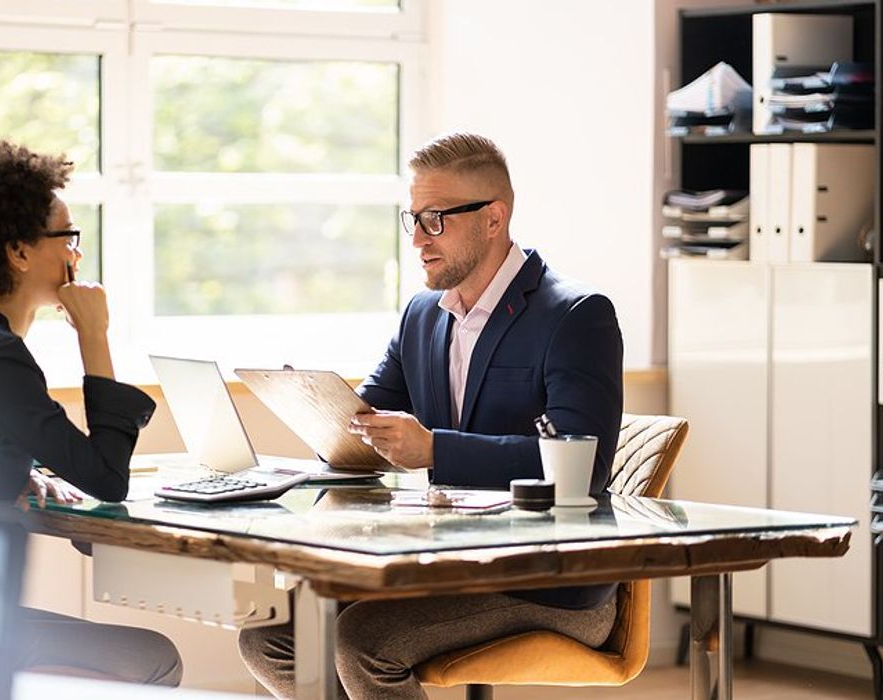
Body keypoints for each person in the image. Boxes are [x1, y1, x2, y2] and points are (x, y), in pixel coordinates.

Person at [237, 132, 624, 699]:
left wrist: (437, 449)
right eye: (413, 218)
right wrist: (319, 408)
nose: (418, 239)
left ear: (494, 219)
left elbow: (583, 469)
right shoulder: (422, 315)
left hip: (552, 585)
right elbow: (364, 421)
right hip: (447, 565)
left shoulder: (575, 315)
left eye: (435, 219)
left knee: (364, 639)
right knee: (271, 636)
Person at [0, 141, 182, 686]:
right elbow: (108, 479)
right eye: (69, 237)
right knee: (156, 658)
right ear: (19, 251)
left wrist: (22, 469)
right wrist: (94, 335)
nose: (76, 253)